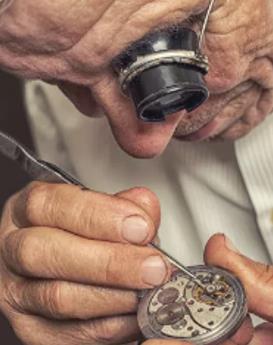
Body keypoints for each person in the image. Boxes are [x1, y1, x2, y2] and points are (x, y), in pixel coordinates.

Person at [1, 0, 273, 344]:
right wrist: (50, 293)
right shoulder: (58, 40)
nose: (142, 144)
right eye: (64, 83)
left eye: (166, 56)